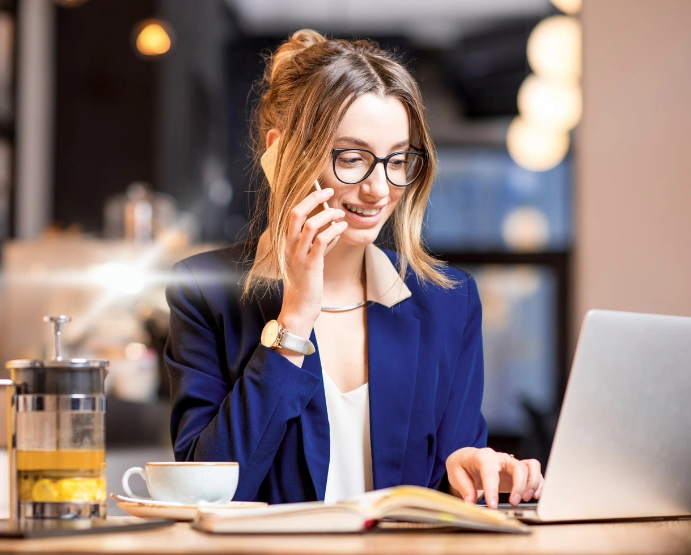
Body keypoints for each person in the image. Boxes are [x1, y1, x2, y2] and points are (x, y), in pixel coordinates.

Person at [165, 29, 543, 508]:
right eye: (351, 158)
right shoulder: (206, 292)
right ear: (279, 154)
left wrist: (469, 474)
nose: (379, 189)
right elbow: (205, 494)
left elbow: (445, 492)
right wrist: (295, 319)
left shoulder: (448, 302)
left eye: (397, 160)